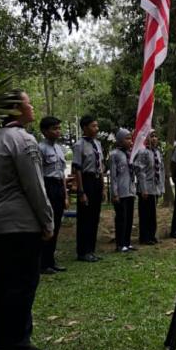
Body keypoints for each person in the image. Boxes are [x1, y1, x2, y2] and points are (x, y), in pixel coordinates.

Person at [0, 90, 53, 350]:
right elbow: (34, 186)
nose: (32, 106)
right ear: (15, 110)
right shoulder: (23, 140)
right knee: (21, 283)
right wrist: (47, 221)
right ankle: (18, 345)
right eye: (28, 102)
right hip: (18, 224)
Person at [38, 116, 69, 274]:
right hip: (47, 185)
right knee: (47, 224)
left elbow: (62, 173)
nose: (58, 131)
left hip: (58, 186)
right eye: (54, 129)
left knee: (56, 224)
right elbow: (38, 174)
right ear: (44, 131)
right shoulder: (40, 148)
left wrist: (65, 195)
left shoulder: (59, 148)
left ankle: (51, 260)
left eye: (59, 128)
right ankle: (43, 263)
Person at [72, 115, 104, 262]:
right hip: (86, 180)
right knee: (85, 217)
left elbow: (101, 167)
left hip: (97, 180)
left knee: (94, 217)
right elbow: (77, 169)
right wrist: (81, 191)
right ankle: (82, 251)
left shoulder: (97, 144)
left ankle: (91, 249)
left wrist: (103, 188)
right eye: (93, 126)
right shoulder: (79, 145)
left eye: (97, 126)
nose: (96, 129)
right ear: (85, 128)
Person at [134, 129, 165, 244]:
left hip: (154, 187)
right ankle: (144, 237)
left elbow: (161, 170)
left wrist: (161, 187)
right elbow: (140, 170)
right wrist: (143, 188)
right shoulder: (142, 152)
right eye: (152, 136)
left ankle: (152, 235)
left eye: (156, 136)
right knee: (145, 213)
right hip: (145, 188)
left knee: (152, 213)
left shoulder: (157, 152)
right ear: (146, 139)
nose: (154, 138)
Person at [110, 128, 136, 253]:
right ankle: (120, 244)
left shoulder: (130, 153)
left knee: (130, 217)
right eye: (127, 138)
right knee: (121, 218)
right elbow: (113, 176)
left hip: (130, 190)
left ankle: (127, 242)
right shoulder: (114, 154)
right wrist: (114, 193)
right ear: (120, 141)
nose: (130, 141)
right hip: (120, 191)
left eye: (130, 138)